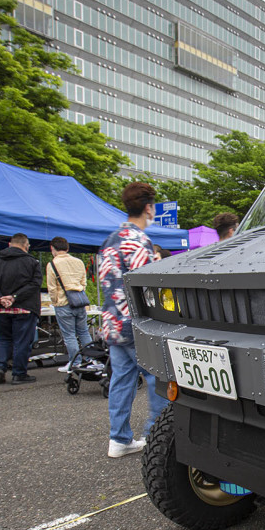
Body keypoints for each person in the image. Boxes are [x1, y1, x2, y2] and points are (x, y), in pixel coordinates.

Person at [99, 181, 166, 458]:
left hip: (112, 320)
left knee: (122, 380)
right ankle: (156, 435)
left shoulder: (110, 240)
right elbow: (145, 286)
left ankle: (119, 439)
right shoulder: (138, 241)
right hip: (135, 321)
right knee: (157, 376)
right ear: (148, 208)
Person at [0, 233, 42, 385]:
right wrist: (15, 297)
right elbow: (35, 284)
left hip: (0, 307)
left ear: (9, 244)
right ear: (26, 245)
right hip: (24, 307)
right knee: (22, 341)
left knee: (2, 338)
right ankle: (19, 373)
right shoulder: (32, 262)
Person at [46, 236, 93, 372]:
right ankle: (92, 359)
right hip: (79, 302)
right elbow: (84, 282)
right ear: (67, 248)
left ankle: (75, 362)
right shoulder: (78, 262)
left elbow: (52, 288)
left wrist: (55, 302)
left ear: (52, 249)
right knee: (84, 332)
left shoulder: (52, 264)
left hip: (63, 303)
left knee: (69, 335)